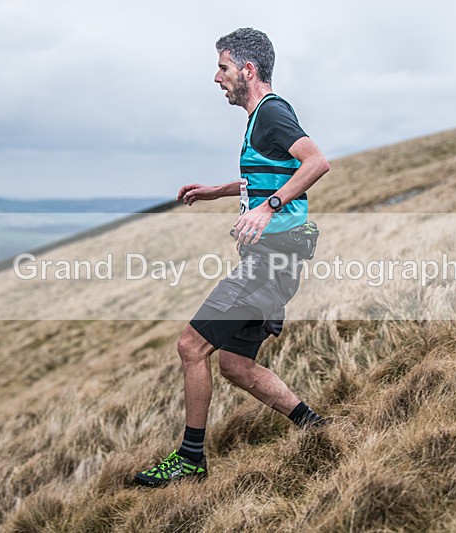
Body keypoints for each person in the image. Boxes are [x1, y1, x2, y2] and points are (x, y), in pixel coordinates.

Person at [134, 27, 331, 487]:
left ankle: (190, 460)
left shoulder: (271, 112)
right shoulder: (260, 119)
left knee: (191, 345)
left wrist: (270, 207)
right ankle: (316, 428)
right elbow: (270, 173)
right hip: (275, 260)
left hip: (273, 260)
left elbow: (316, 162)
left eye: (223, 67)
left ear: (248, 69)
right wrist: (219, 190)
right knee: (235, 366)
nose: (216, 77)